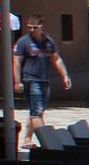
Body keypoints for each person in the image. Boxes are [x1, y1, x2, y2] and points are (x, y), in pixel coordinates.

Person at [13, 15, 70, 154]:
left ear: (41, 26)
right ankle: (47, 144)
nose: (32, 30)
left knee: (37, 112)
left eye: (35, 27)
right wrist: (17, 81)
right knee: (37, 111)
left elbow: (56, 59)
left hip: (45, 80)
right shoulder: (23, 42)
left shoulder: (48, 41)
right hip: (31, 80)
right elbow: (16, 62)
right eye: (29, 27)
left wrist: (65, 75)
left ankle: (27, 139)